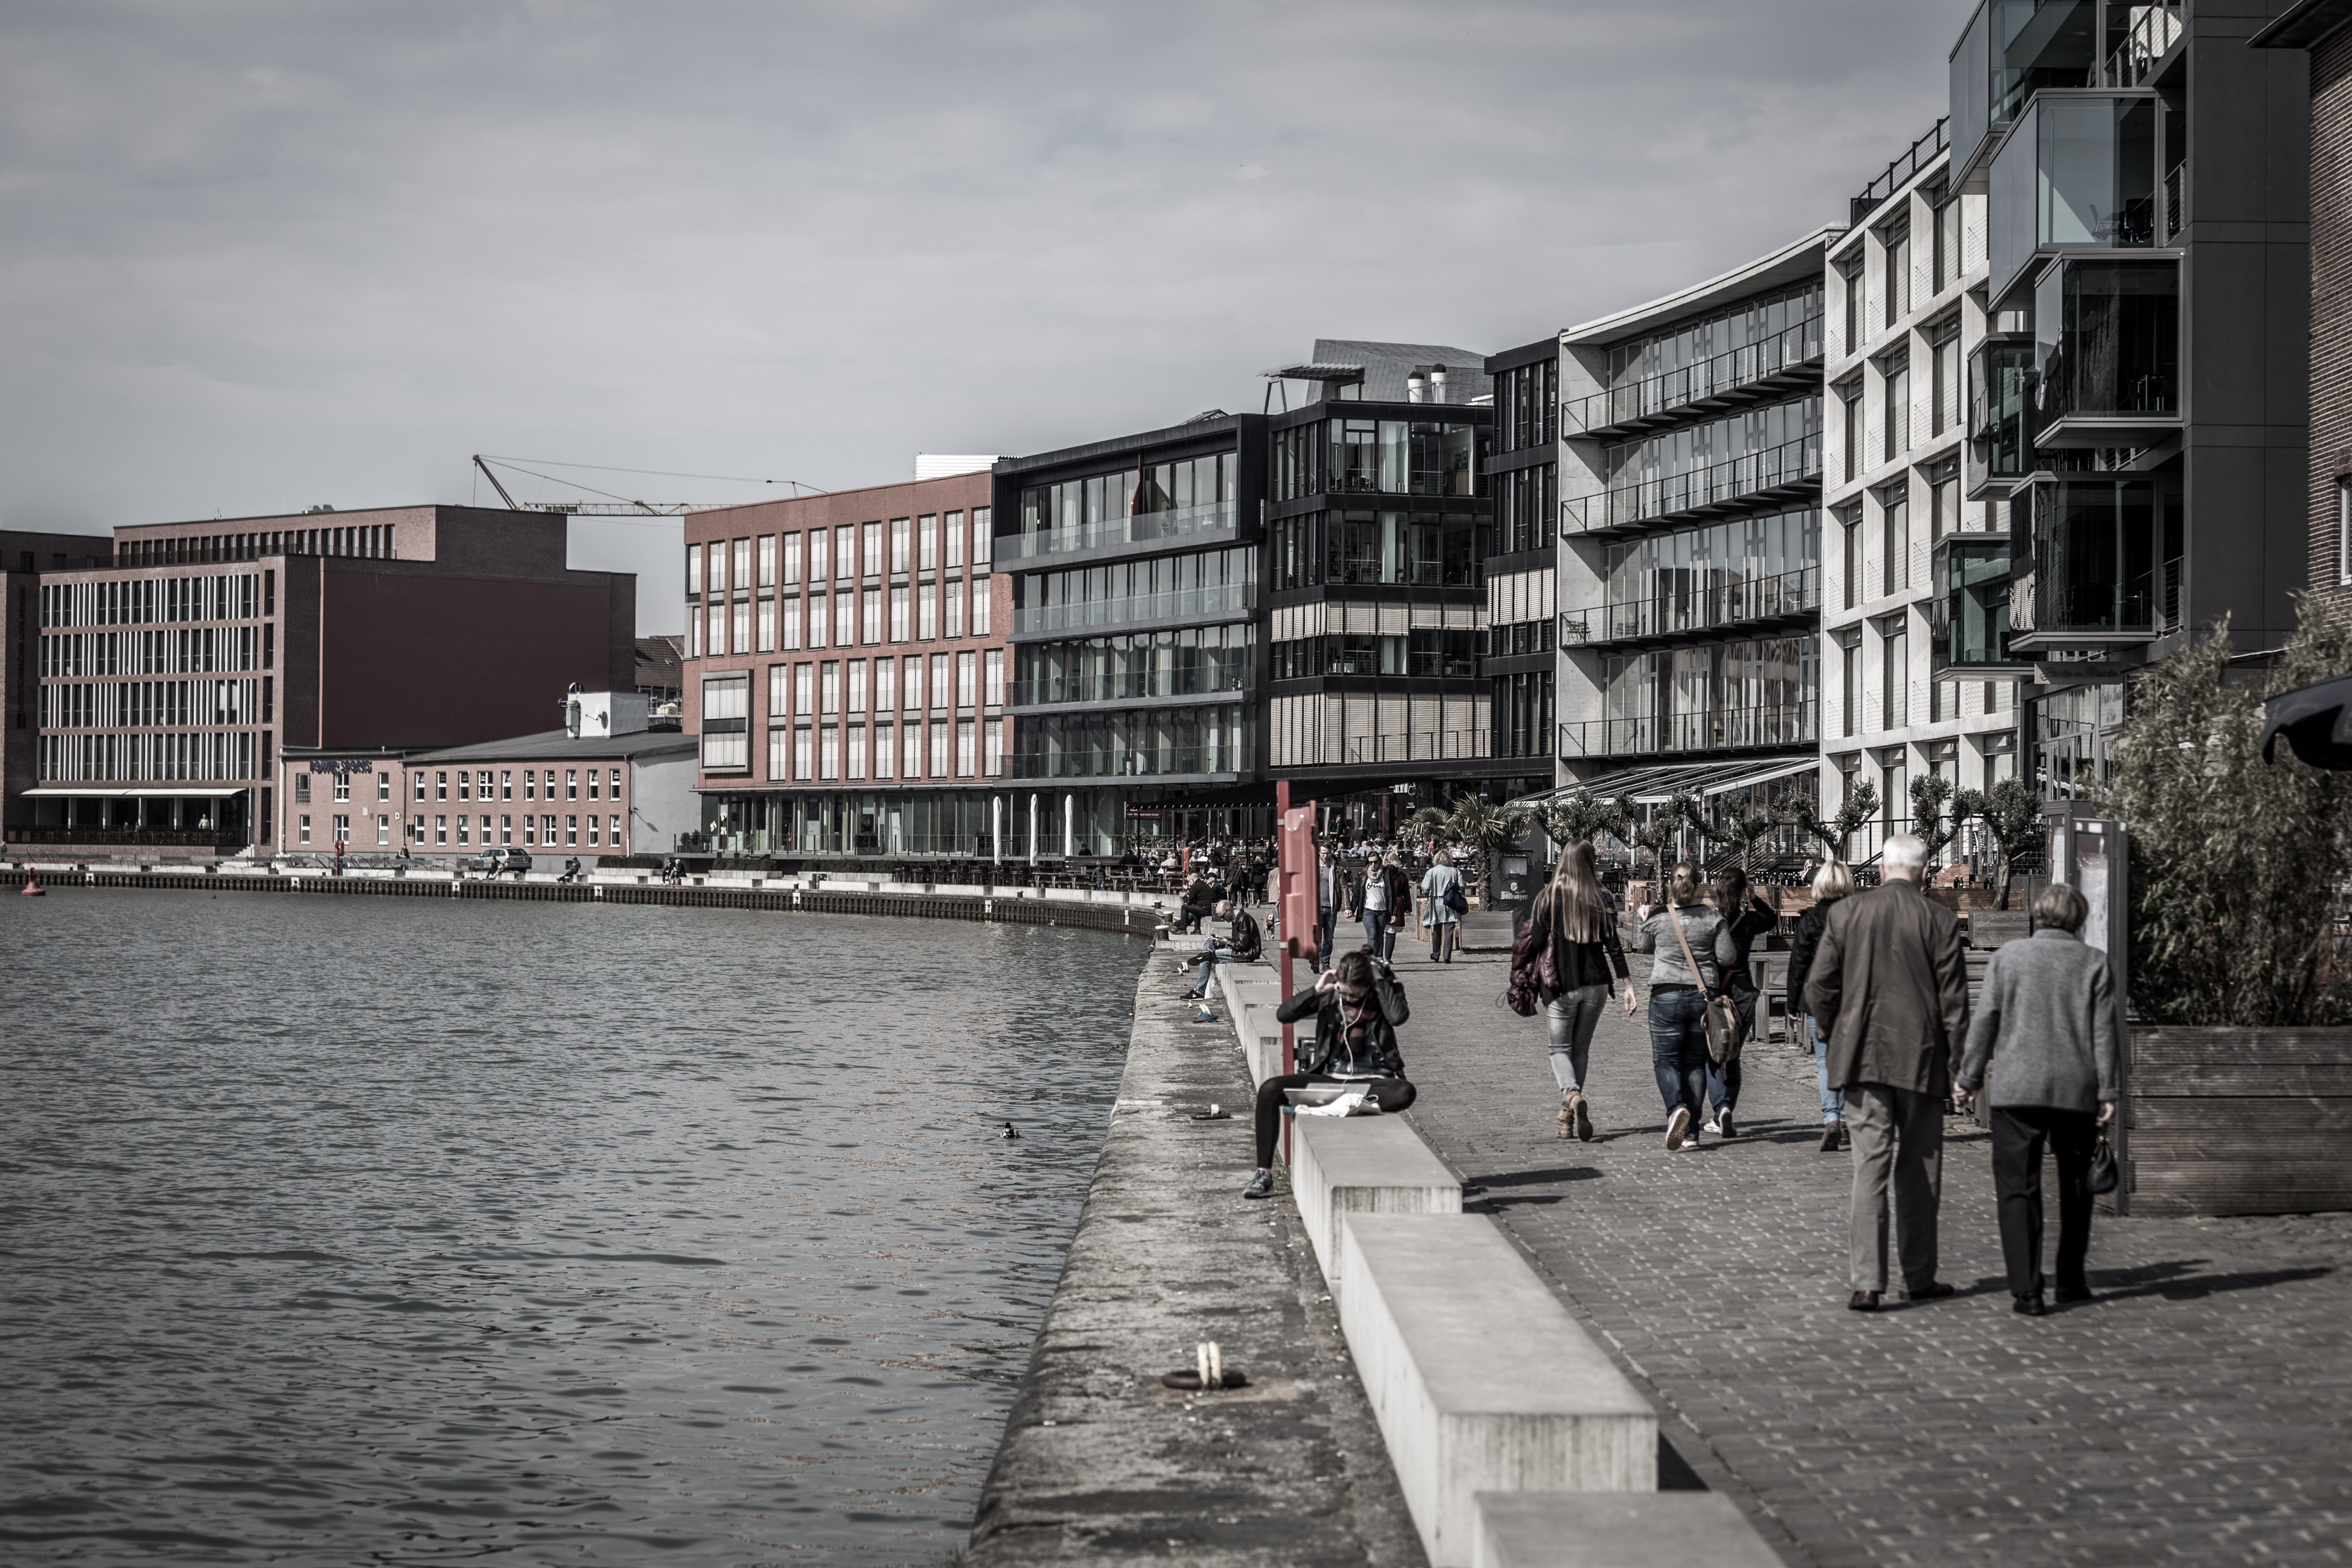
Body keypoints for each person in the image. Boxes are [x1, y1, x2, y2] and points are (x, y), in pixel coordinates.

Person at [1805, 833, 1970, 1312]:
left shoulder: (1846, 914)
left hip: (1863, 1059)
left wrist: (1834, 1032)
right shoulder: (1939, 920)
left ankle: (1867, 1282)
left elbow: (1819, 987)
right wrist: (1959, 1067)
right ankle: (1918, 1276)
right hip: (1921, 1059)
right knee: (1920, 1173)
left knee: (1869, 1170)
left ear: (1881, 870)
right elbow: (1955, 1005)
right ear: (1925, 871)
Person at [1954, 883, 2119, 1316]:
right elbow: (2104, 1033)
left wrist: (1969, 1077)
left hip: (2017, 1088)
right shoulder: (2093, 962)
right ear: (2079, 919)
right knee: (2076, 1186)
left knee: (2017, 1188)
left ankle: (2027, 1289)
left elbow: (1985, 1021)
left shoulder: (2008, 958)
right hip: (2075, 1088)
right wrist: (2108, 1090)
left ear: (2039, 915)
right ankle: (2071, 1280)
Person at [1244, 950, 1416, 1198]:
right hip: (1331, 1079)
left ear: (1369, 984)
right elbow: (1284, 1015)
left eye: (1354, 994)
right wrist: (1317, 990)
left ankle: (1336, 1102)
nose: (1348, 998)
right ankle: (1263, 1174)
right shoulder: (1330, 997)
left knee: (1405, 1092)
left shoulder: (1386, 993)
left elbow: (1398, 1017)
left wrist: (1380, 981)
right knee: (1270, 1090)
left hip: (1374, 1081)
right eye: (1344, 992)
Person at [1527, 841, 1637, 1140]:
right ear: (1591, 862)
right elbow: (1614, 946)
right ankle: (1566, 1117)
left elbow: (1536, 941)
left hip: (1562, 984)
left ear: (1563, 860)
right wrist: (1628, 985)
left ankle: (1572, 1095)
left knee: (1559, 1050)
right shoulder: (1602, 897)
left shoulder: (1549, 897)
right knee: (1581, 1050)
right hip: (1597, 983)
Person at [1632, 863, 1736, 1150]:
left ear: (1670, 884)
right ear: (1698, 884)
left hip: (1666, 995)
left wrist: (1643, 919)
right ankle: (1691, 1133)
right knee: (1694, 1063)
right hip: (1703, 997)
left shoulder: (1659, 916)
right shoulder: (1712, 917)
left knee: (1665, 1061)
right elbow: (1727, 957)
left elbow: (1644, 947)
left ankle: (1676, 1108)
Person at [1785, 860, 1859, 1151]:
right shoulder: (1858, 916)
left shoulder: (1810, 919)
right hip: (1853, 998)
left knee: (1825, 1061)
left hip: (1819, 999)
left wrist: (1793, 1003)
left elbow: (1799, 964)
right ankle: (1847, 1118)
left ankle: (1831, 1118)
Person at [1703, 867, 1779, 1139]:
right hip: (1742, 994)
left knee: (1713, 1054)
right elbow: (1772, 919)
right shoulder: (1748, 922)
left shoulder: (1710, 918)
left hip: (1714, 995)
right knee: (1732, 1053)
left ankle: (1721, 1108)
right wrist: (1754, 898)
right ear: (1742, 890)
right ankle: (1726, 1110)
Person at [1186, 901, 1264, 999]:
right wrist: (1222, 941)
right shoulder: (1236, 919)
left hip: (1246, 953)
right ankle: (1208, 952)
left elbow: (1243, 945)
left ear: (1229, 910)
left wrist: (1226, 941)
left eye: (1223, 917)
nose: (1222, 920)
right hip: (1240, 950)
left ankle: (1199, 992)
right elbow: (1238, 941)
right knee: (1209, 940)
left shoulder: (1243, 919)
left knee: (1206, 959)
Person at [1418, 850, 1465, 963]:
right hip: (1451, 903)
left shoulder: (1431, 872)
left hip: (1436, 903)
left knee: (1437, 929)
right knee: (1449, 930)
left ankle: (1436, 954)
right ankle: (1447, 956)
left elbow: (1425, 888)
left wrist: (1430, 894)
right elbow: (1462, 886)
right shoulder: (1455, 871)